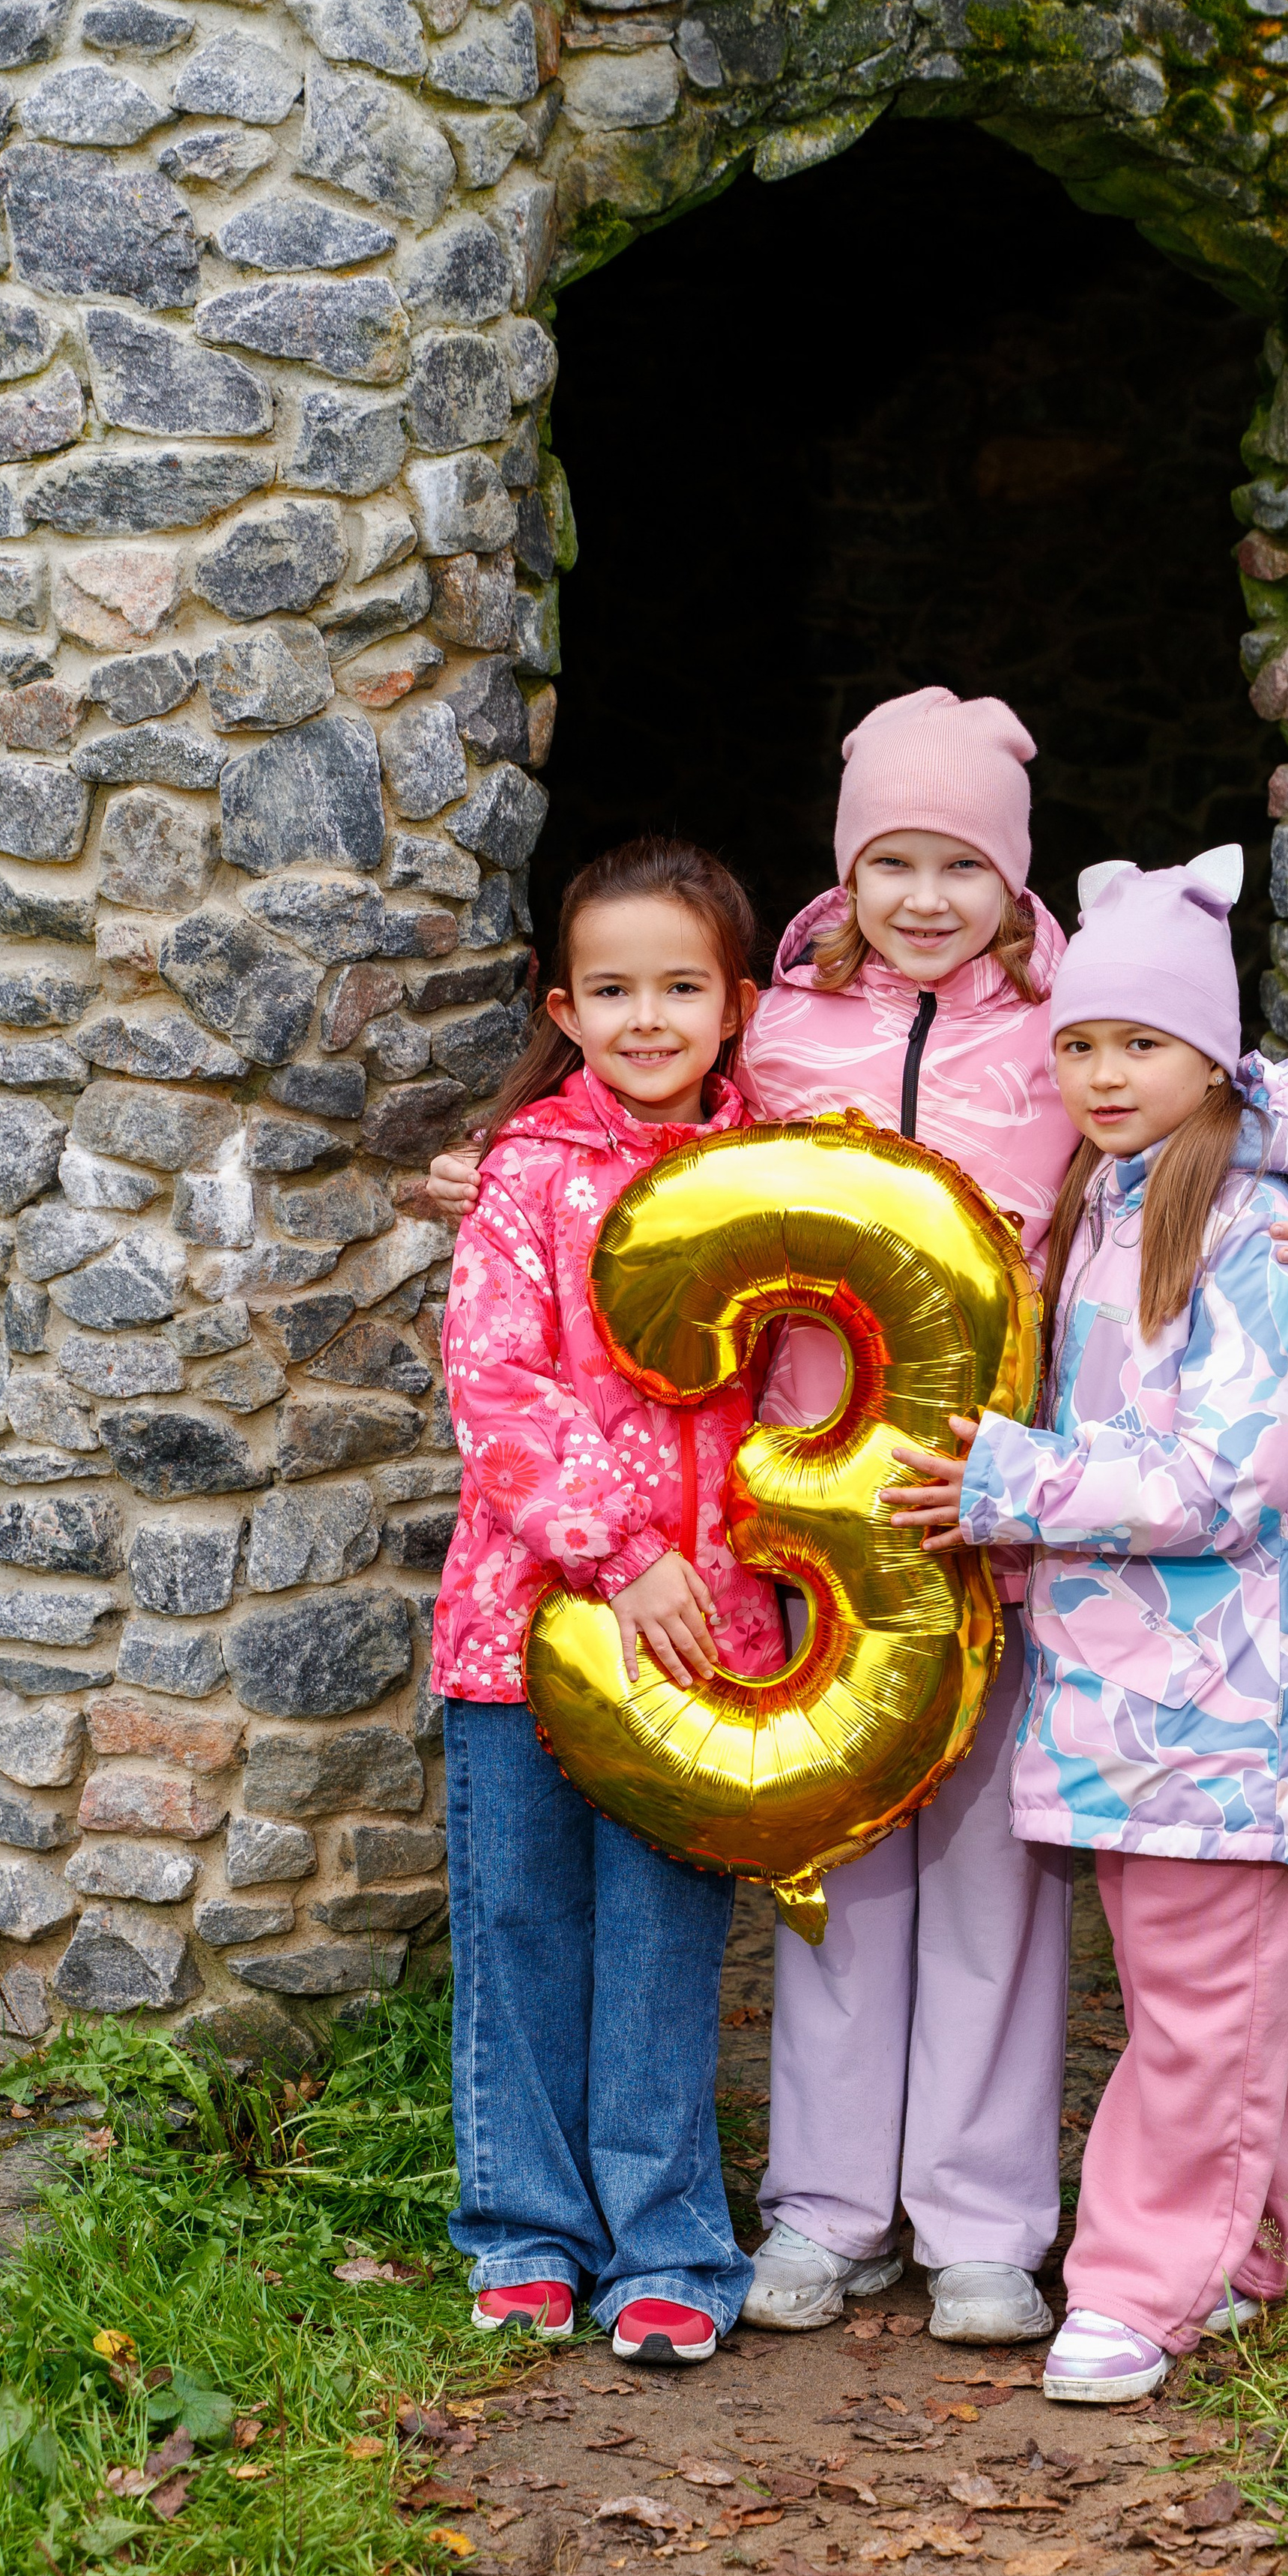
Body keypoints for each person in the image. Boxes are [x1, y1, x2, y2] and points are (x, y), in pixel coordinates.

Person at [428, 686, 1288, 2350]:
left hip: (1002, 1519)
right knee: (836, 1874)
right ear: (844, 872)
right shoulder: (784, 1034)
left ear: (1014, 881)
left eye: (959, 865)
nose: (924, 897)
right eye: (891, 861)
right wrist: (496, 1161)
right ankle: (821, 2206)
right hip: (808, 1525)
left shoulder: (1063, 1029)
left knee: (996, 1880)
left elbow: (1227, 1084)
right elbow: (660, 1154)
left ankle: (984, 2220)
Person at [883, 847, 1288, 2406]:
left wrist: (1004, 1484)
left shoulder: (1250, 1226)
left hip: (1232, 1688)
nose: (1102, 1072)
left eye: (1140, 1044)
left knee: (1192, 1999)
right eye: (1080, 1044)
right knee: (1209, 1995)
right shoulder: (1114, 1201)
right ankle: (1269, 2244)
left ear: (1209, 1056)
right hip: (1140, 1686)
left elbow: (1238, 1471)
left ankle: (1133, 2288)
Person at [432, 835, 787, 2365]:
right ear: (564, 1009)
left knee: (658, 1941)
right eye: (613, 988)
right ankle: (524, 2232)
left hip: (703, 1641)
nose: (647, 1017)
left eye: (680, 987)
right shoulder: (525, 1180)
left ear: (736, 1003)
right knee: (519, 1922)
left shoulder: (780, 1176)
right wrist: (617, 1551)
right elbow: (494, 1381)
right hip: (524, 1626)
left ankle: (668, 2250)